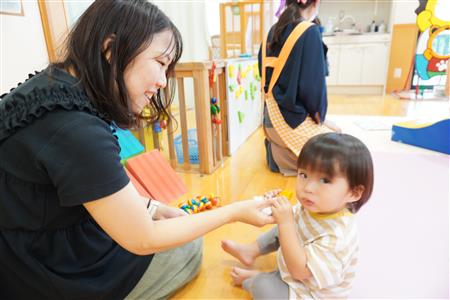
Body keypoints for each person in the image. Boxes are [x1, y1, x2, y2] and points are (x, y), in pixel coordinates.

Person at [0, 1, 276, 299]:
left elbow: (86, 186)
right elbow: (143, 239)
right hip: (40, 269)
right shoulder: (77, 130)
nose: (161, 81)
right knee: (188, 246)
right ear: (110, 50)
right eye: (160, 63)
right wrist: (234, 212)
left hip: (23, 244)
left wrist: (152, 207)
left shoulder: (54, 87)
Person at [222, 132, 374, 299]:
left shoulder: (337, 238)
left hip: (309, 292)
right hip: (294, 265)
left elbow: (299, 272)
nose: (308, 187)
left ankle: (255, 279)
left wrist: (285, 223)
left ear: (354, 193)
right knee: (288, 225)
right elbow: (290, 219)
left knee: (262, 286)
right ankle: (251, 251)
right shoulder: (318, 206)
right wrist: (271, 206)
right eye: (304, 175)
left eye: (324, 181)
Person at [259, 0, 341, 176]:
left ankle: (278, 155)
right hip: (290, 124)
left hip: (269, 121)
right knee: (340, 147)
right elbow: (313, 90)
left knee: (328, 133)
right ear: (316, 3)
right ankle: (289, 158)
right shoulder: (309, 32)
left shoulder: (272, 32)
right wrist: (321, 118)